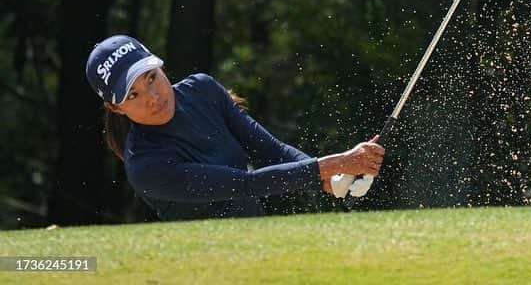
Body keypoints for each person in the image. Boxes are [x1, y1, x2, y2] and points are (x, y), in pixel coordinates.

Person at [85, 34, 383, 221]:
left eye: (151, 77)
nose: (152, 97)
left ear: (159, 66)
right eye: (133, 94)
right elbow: (243, 184)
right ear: (116, 108)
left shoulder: (203, 90)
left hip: (257, 237)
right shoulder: (145, 166)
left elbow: (271, 151)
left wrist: (329, 178)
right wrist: (330, 165)